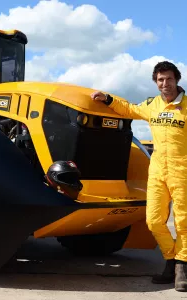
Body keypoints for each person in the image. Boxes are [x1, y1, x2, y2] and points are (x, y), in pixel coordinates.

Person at [90, 61, 187, 292]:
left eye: (169, 79)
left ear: (177, 80)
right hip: (157, 173)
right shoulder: (151, 105)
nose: (165, 84)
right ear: (156, 82)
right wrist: (108, 99)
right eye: (161, 80)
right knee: (153, 220)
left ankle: (181, 267)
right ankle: (171, 257)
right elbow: (129, 109)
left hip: (183, 171)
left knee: (183, 221)